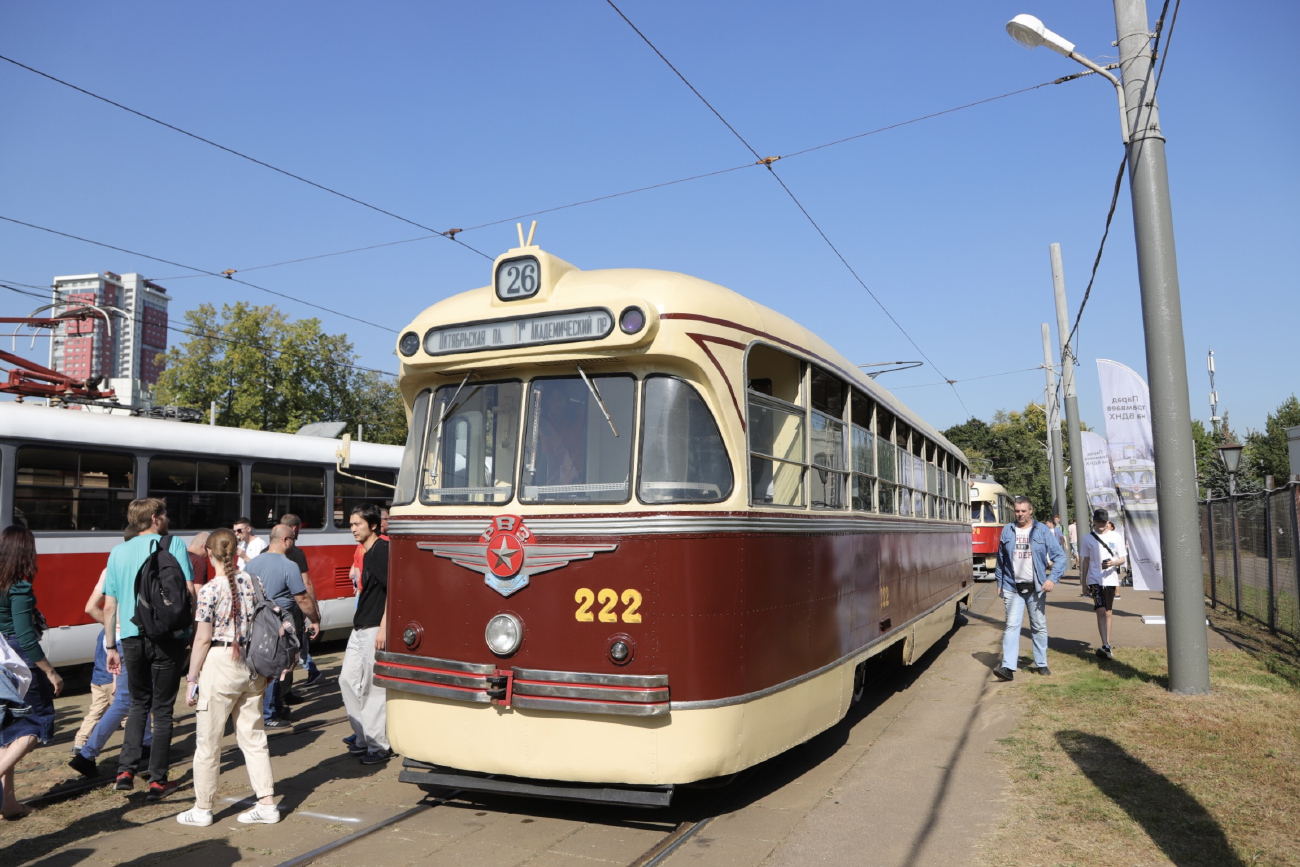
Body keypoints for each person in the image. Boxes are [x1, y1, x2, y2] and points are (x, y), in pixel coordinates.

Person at [175, 528, 280, 826]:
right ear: (236, 552)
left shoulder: (209, 590)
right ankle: (267, 803)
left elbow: (202, 640)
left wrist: (191, 678)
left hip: (220, 664)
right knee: (254, 737)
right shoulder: (255, 582)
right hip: (252, 664)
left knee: (208, 742)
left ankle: (203, 808)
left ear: (209, 553)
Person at [103, 498, 194, 800]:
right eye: (165, 514)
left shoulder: (118, 552)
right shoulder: (172, 544)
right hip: (167, 636)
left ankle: (125, 771)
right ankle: (157, 780)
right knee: (163, 709)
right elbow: (188, 592)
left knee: (138, 704)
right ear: (155, 518)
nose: (168, 518)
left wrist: (109, 645)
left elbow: (110, 605)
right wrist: (189, 632)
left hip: (130, 636)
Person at [0, 525, 63, 819]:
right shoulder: (19, 587)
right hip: (18, 661)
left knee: (9, 731)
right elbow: (26, 638)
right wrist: (50, 672)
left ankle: (8, 803)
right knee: (38, 723)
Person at [69, 568, 151, 779]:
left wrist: (113, 627)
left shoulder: (110, 568)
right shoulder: (143, 566)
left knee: (130, 699)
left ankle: (146, 743)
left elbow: (90, 607)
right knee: (130, 699)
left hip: (117, 641)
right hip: (136, 640)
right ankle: (87, 754)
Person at [245, 525, 319, 727]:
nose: (294, 543)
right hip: (279, 623)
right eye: (293, 539)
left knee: (261, 666)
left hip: (257, 622)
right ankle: (269, 715)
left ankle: (276, 707)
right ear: (286, 540)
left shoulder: (251, 564)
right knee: (277, 666)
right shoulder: (289, 565)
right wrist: (315, 619)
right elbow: (302, 598)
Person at [992, 497, 1065, 681]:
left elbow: (1060, 557)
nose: (1020, 514)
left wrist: (1052, 579)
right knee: (1011, 626)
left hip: (1036, 588)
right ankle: (1008, 667)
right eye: (1017, 511)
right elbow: (1001, 560)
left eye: (1023, 511)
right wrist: (999, 583)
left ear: (1030, 510)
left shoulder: (1042, 531)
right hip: (1012, 587)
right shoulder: (1007, 531)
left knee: (1038, 626)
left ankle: (1041, 663)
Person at [340, 503, 391, 764]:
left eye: (357, 524)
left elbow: (394, 592)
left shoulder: (382, 550)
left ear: (373, 525)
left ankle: (378, 744)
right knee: (347, 680)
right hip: (360, 625)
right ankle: (362, 737)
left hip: (374, 627)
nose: (353, 529)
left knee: (372, 687)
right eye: (351, 525)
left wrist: (384, 627)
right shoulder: (367, 551)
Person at [279, 514, 321, 688]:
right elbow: (306, 585)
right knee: (293, 650)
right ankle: (283, 694)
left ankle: (282, 695)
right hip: (293, 609)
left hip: (271, 610)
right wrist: (315, 613)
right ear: (295, 529)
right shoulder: (296, 554)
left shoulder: (263, 552)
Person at [1080, 508, 1127, 661]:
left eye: (1103, 521)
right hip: (1095, 579)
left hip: (1111, 579)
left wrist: (1112, 563)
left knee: (1108, 611)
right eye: (1098, 521)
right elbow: (1085, 561)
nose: (1100, 524)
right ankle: (1105, 643)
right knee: (1100, 611)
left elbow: (1122, 559)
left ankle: (1107, 643)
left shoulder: (1116, 536)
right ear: (1093, 521)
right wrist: (1084, 582)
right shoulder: (1087, 538)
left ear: (1108, 522)